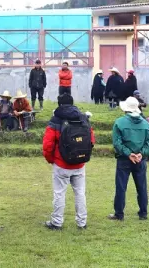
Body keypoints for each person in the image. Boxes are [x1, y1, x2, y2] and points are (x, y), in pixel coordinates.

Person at [42, 93, 95, 230]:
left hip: (61, 164)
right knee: (80, 193)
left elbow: (48, 145)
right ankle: (82, 222)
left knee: (59, 193)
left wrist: (51, 159)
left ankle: (57, 222)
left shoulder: (56, 120)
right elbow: (91, 140)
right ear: (72, 103)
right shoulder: (83, 118)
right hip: (80, 163)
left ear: (59, 104)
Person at [109, 97, 149, 221]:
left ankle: (119, 213)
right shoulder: (146, 124)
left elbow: (117, 143)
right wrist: (141, 153)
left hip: (124, 159)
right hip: (140, 160)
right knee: (142, 187)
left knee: (121, 187)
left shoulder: (119, 122)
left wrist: (129, 154)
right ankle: (143, 213)